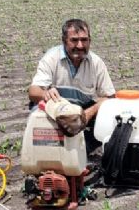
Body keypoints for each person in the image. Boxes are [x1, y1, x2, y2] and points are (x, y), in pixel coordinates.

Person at [28, 19, 115, 150]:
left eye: (84, 40)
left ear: (89, 41)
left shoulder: (96, 63)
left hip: (82, 111)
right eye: (74, 40)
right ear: (64, 41)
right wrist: (45, 93)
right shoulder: (52, 58)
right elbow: (33, 92)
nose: (80, 45)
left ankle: (81, 152)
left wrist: (86, 114)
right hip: (56, 111)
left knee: (109, 118)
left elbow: (110, 97)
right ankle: (49, 153)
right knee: (37, 114)